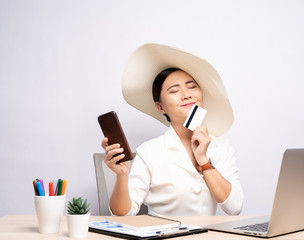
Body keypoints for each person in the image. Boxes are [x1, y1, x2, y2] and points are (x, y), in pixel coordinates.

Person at [101, 43, 244, 216]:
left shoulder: (221, 147)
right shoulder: (150, 151)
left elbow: (234, 208)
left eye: (192, 87)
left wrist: (204, 161)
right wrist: (122, 176)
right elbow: (123, 214)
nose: (186, 95)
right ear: (160, 107)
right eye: (174, 91)